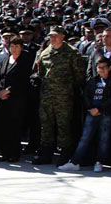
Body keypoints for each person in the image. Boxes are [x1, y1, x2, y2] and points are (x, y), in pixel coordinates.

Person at [33, 26, 84, 166]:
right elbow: (42, 73)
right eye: (51, 36)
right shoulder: (45, 53)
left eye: (56, 35)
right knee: (46, 124)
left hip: (64, 96)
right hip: (46, 96)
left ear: (63, 36)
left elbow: (79, 75)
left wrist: (66, 87)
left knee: (64, 125)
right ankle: (46, 153)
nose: (53, 38)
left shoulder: (72, 53)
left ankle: (64, 153)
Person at [63, 57, 111, 172]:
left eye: (104, 68)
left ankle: (99, 162)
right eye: (99, 67)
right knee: (85, 137)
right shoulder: (92, 81)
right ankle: (75, 162)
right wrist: (90, 108)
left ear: (110, 68)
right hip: (91, 113)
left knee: (104, 139)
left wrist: (100, 108)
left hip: (105, 113)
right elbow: (86, 96)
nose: (101, 70)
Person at [0, 37, 32, 161]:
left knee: (14, 126)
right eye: (12, 46)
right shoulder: (4, 60)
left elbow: (23, 80)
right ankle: (5, 152)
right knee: (3, 126)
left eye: (17, 46)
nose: (14, 49)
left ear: (21, 47)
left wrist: (8, 90)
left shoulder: (24, 62)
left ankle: (14, 153)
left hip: (16, 99)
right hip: (2, 99)